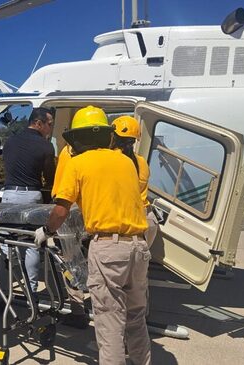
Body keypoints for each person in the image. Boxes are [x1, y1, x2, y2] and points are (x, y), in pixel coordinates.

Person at [35, 114, 151, 365]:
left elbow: (61, 210)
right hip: (139, 246)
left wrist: (46, 231)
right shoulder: (127, 162)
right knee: (136, 317)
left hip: (109, 248)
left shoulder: (78, 163)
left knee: (110, 321)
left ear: (77, 138)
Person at [50, 106, 110, 329]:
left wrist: (49, 227)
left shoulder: (70, 153)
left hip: (69, 210)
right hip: (91, 212)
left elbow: (63, 193)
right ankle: (98, 305)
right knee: (89, 262)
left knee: (71, 262)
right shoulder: (109, 157)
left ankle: (77, 310)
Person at [0, 107, 56, 305]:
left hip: (8, 195)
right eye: (49, 124)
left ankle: (3, 293)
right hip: (31, 196)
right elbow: (50, 178)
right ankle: (31, 293)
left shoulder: (10, 142)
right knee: (31, 245)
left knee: (6, 244)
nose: (50, 129)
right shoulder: (46, 147)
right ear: (38, 123)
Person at [111, 116, 159, 246]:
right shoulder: (141, 161)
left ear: (113, 136)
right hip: (147, 219)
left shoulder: (111, 160)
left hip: (129, 224)